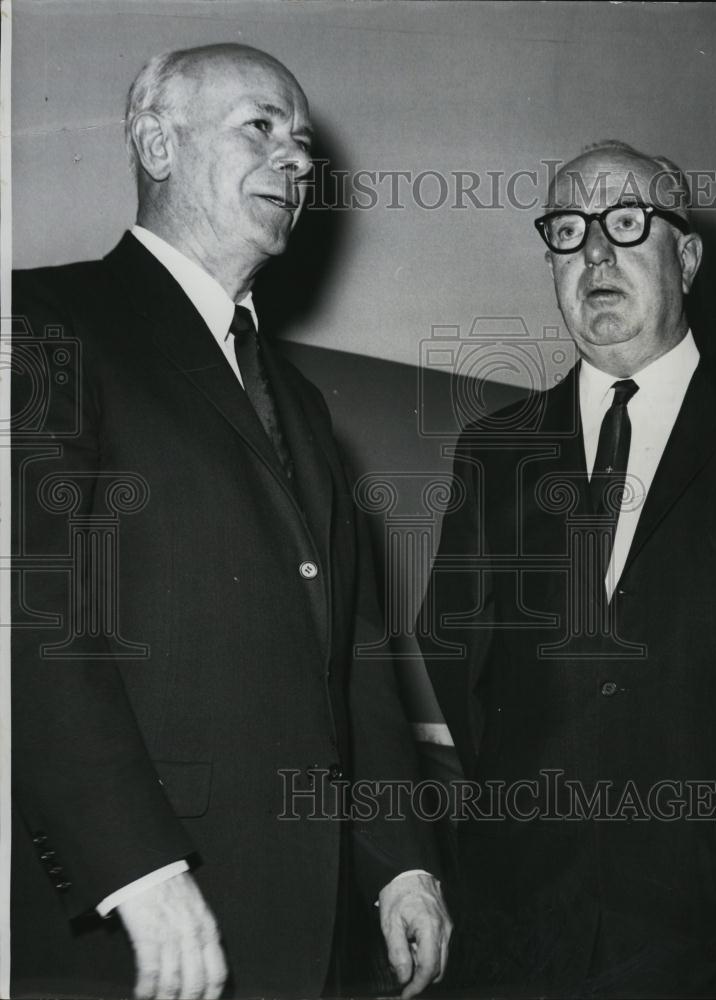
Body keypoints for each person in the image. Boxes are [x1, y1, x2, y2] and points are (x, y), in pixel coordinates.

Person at [11, 43, 451, 1000]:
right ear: (157, 144)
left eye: (303, 144)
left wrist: (397, 860)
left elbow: (359, 654)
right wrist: (133, 864)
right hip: (136, 921)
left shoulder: (297, 399)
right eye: (261, 126)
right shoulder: (43, 318)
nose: (295, 161)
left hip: (307, 918)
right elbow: (27, 607)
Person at [422, 141, 716, 996]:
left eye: (627, 224)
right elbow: (455, 654)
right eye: (568, 230)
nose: (594, 252)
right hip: (521, 931)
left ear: (687, 257)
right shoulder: (493, 450)